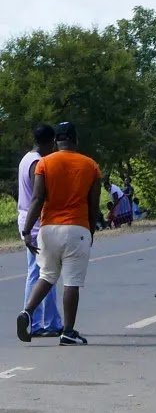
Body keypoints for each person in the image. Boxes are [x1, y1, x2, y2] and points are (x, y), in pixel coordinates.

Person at [17, 122, 101, 346]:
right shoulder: (91, 165)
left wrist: (27, 230)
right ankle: (68, 332)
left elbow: (37, 199)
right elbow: (93, 205)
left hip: (48, 229)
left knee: (46, 276)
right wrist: (91, 230)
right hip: (77, 228)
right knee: (72, 282)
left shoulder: (44, 163)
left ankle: (27, 313)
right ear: (76, 140)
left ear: (56, 141)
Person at [17, 124, 64, 338]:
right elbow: (39, 197)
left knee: (36, 273)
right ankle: (44, 322)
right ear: (51, 142)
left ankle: (37, 321)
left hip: (26, 219)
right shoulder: (38, 163)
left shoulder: (26, 159)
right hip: (36, 223)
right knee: (46, 274)